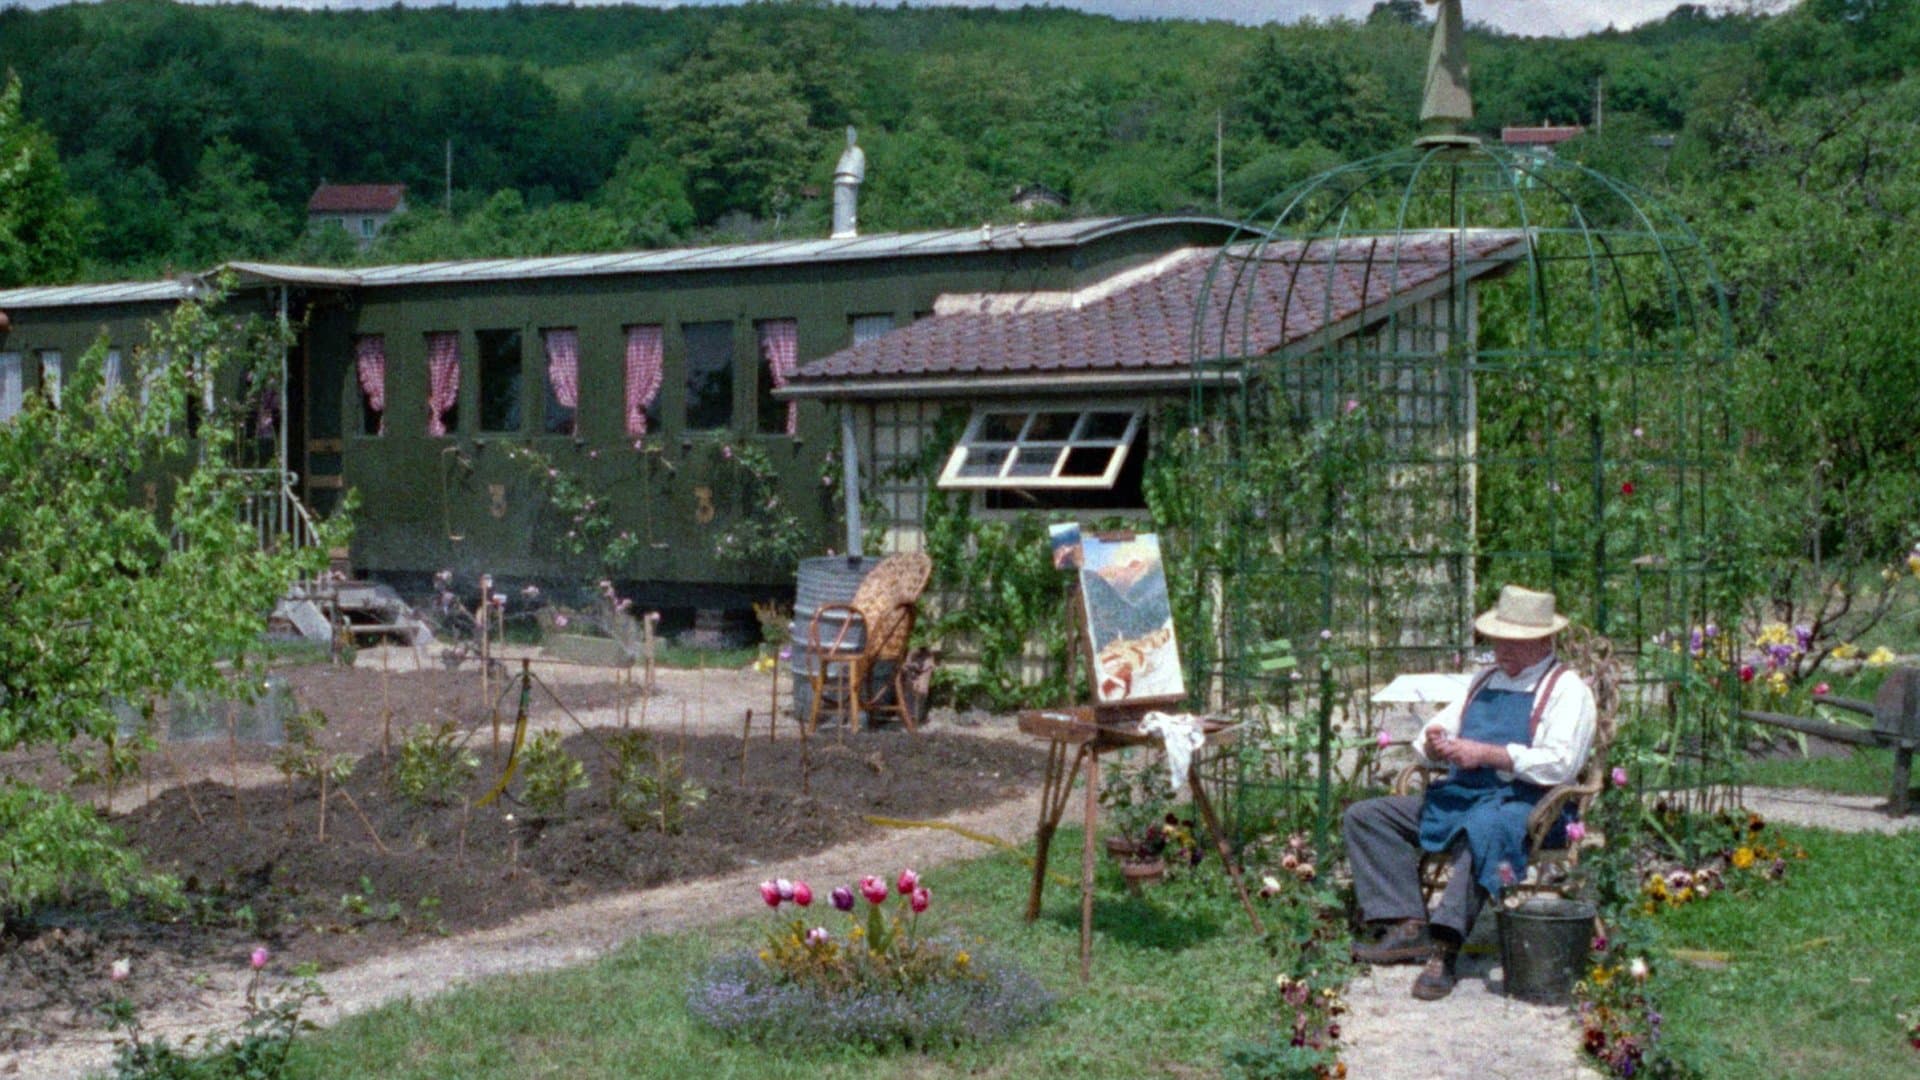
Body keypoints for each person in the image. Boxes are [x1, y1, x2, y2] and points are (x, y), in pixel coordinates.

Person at [1343, 584, 1597, 1000]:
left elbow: (1560, 764)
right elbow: (1435, 728)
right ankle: (1406, 924)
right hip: (1464, 796)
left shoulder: (1567, 691)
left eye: (1514, 642)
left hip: (1530, 807)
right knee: (1368, 817)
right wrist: (1437, 743)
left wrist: (1487, 754)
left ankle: (1445, 946)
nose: (1502, 650)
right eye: (1498, 639)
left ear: (1545, 641)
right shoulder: (1486, 680)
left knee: (1483, 829)